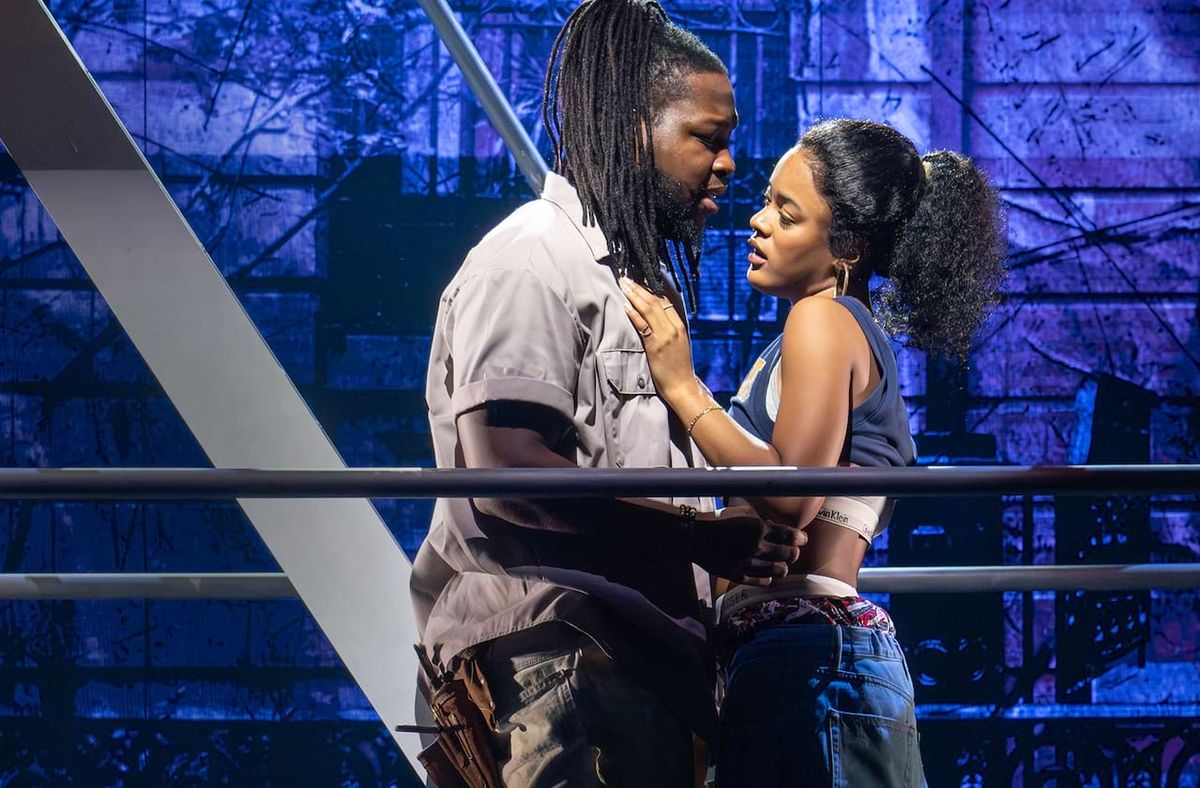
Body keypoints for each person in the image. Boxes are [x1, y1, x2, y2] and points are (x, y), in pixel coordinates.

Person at [410, 2, 806, 785]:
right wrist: (698, 537)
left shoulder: (616, 274)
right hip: (560, 663)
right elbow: (507, 475)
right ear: (632, 129)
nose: (728, 164)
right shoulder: (530, 261)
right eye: (708, 138)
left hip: (619, 663)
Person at [622, 118, 1006, 786]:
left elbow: (792, 495)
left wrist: (682, 387)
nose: (758, 222)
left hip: (809, 665)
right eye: (766, 201)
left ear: (847, 247)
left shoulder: (822, 319)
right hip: (813, 663)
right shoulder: (837, 330)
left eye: (787, 213)